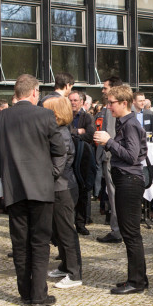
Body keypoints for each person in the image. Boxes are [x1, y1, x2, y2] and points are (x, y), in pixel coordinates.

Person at [0, 74, 66, 306]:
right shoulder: (44, 115)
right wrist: (51, 174)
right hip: (41, 189)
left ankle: (25, 293)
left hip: (13, 189)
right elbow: (59, 149)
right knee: (39, 243)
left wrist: (2, 181)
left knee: (20, 243)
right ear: (34, 92)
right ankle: (38, 296)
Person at [93, 85, 149, 294]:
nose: (108, 107)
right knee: (130, 232)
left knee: (131, 233)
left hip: (129, 180)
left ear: (123, 103)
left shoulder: (130, 124)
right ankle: (138, 277)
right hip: (126, 179)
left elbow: (131, 155)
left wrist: (109, 142)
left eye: (111, 103)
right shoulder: (123, 122)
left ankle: (136, 282)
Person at [42, 96, 84, 290]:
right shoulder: (59, 130)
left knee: (66, 231)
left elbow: (56, 168)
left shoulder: (61, 133)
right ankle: (66, 265)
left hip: (63, 188)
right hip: (59, 187)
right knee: (60, 231)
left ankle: (75, 273)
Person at [96, 77, 124, 244]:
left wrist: (106, 154)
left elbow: (110, 134)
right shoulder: (125, 106)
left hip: (111, 157)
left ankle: (116, 230)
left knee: (114, 195)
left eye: (105, 88)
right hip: (118, 156)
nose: (103, 91)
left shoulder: (111, 109)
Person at [69, 90, 95, 235]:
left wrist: (72, 133)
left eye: (75, 100)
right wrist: (77, 131)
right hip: (68, 158)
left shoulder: (87, 117)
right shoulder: (64, 116)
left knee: (83, 192)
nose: (73, 103)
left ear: (81, 102)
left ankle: (80, 223)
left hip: (83, 158)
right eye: (70, 100)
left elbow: (90, 135)